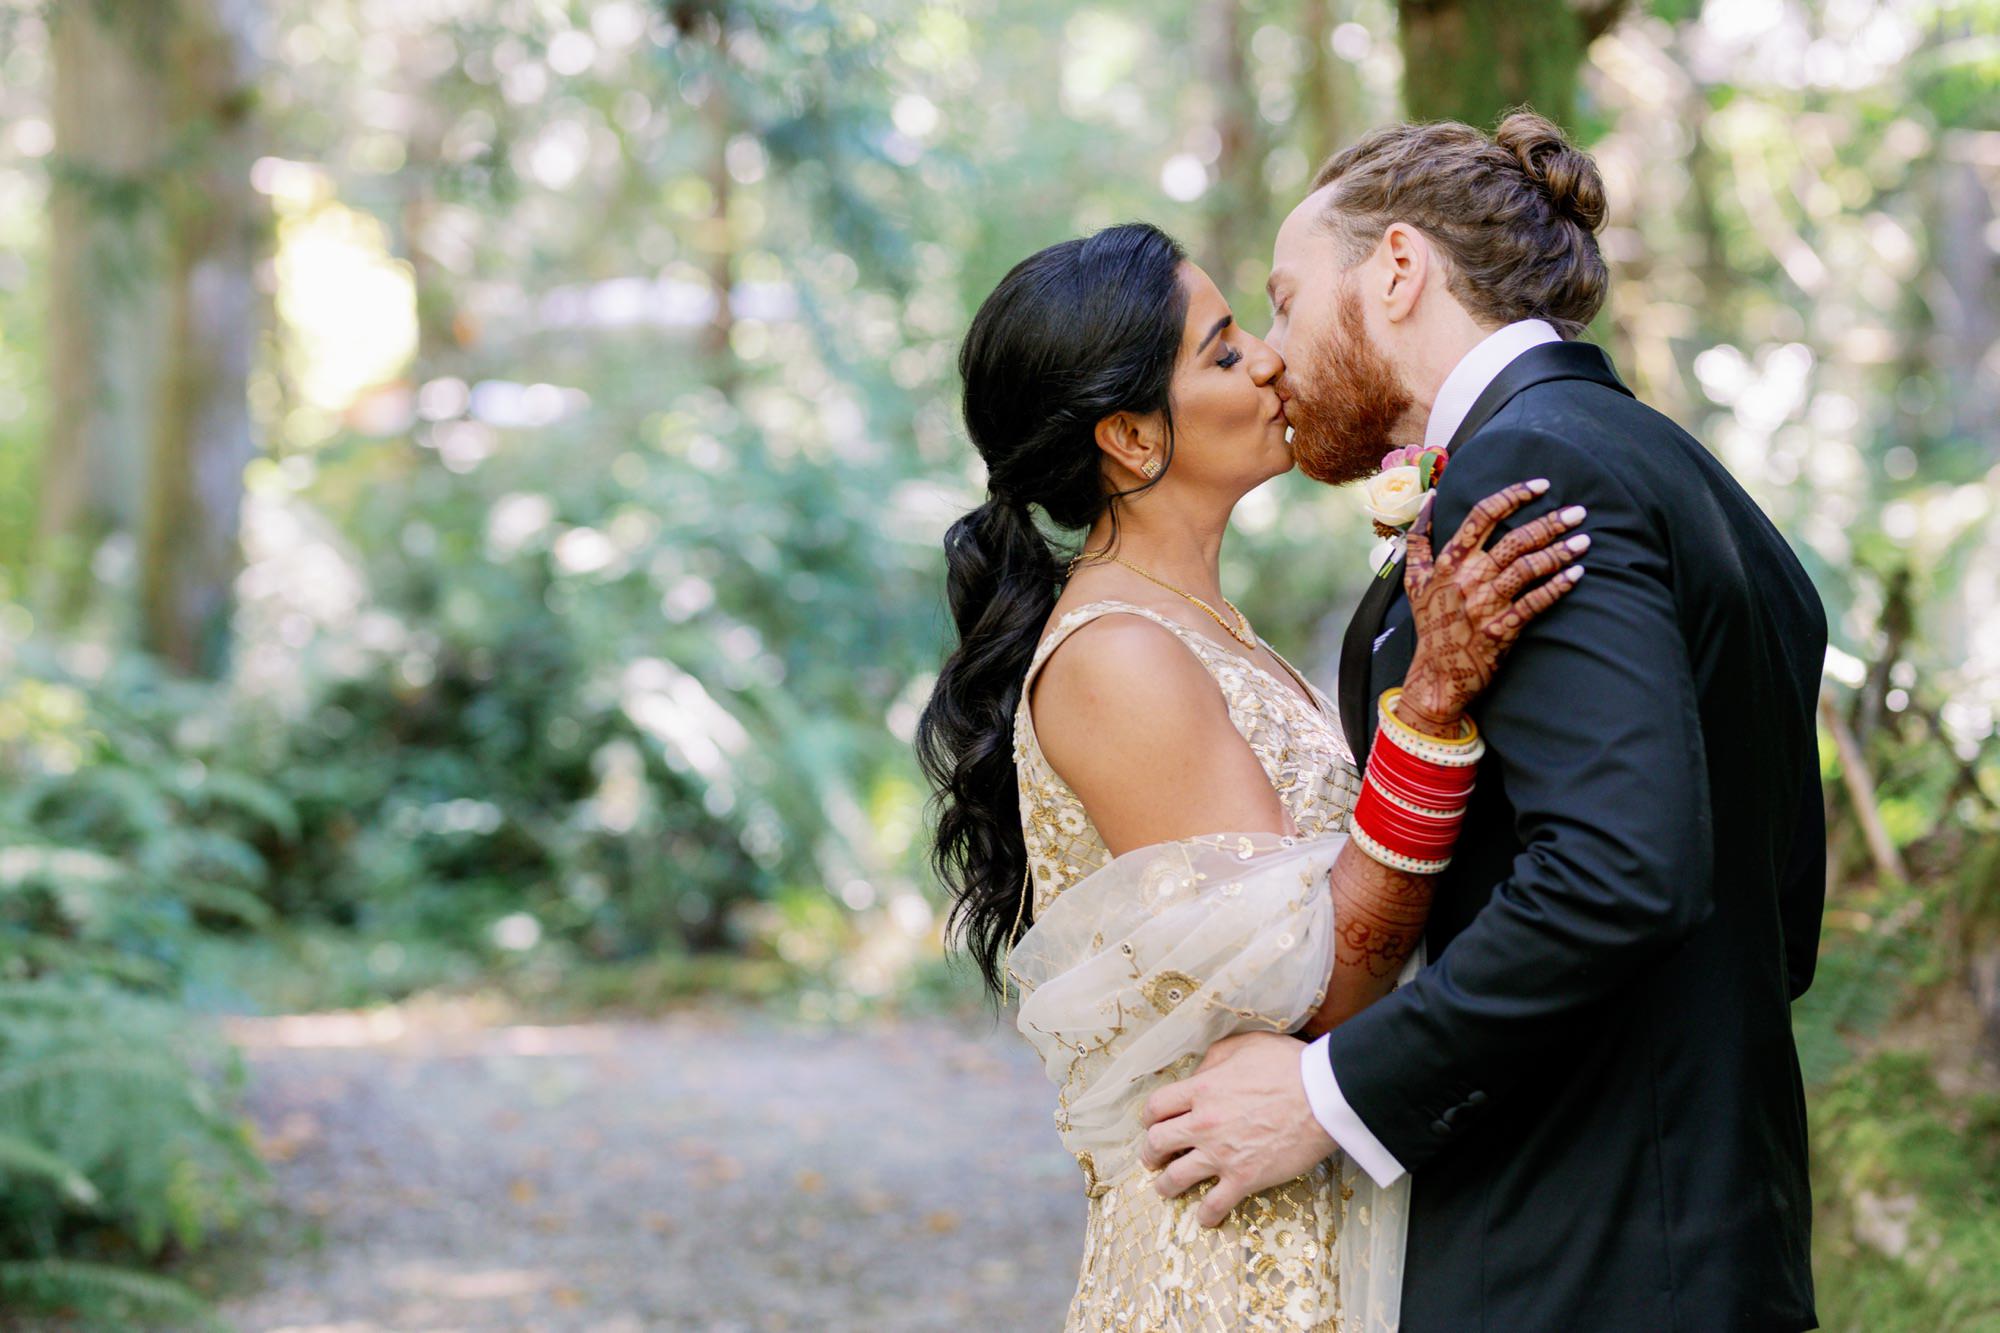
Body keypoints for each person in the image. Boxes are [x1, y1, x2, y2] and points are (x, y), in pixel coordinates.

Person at [1141, 112, 1827, 1331]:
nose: (1279, 356)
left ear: (1396, 270)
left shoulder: (1532, 473)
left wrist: (1328, 1092)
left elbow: (1620, 872)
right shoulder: (1679, 471)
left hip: (1575, 1254)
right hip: (1699, 1233)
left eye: (1288, 302)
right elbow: (1775, 916)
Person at [916, 216, 1587, 1330]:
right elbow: (1317, 983)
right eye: (1223, 350)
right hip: (1232, 1271)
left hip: (1309, 1217)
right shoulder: (1117, 655)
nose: (1269, 358)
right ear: (1129, 439)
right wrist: (1429, 707)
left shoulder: (1198, 627)